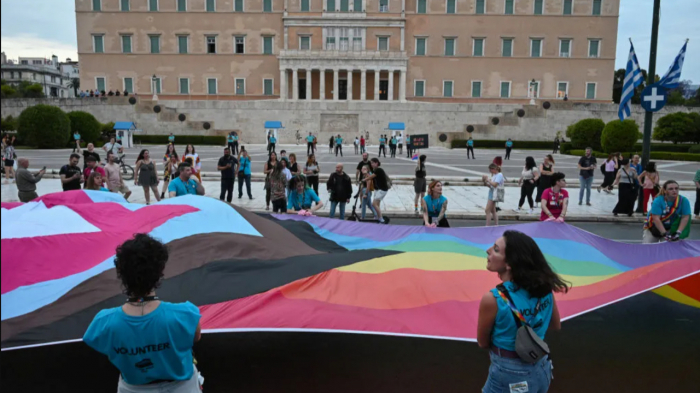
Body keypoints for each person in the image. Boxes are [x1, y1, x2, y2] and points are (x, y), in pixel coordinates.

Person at [83, 234, 203, 392]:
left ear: (121, 273)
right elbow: (195, 338)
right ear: (160, 272)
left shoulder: (103, 324)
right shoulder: (186, 315)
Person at [477, 231, 568, 393]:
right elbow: (555, 325)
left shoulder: (493, 299)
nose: (488, 250)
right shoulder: (544, 288)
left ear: (510, 263)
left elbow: (483, 343)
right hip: (541, 368)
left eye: (496, 250)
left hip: (509, 374)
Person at [365, 158, 390, 224]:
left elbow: (371, 177)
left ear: (377, 163)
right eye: (371, 163)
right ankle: (378, 216)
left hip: (382, 190)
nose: (371, 164)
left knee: (374, 204)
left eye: (373, 163)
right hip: (377, 189)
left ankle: (381, 218)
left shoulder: (379, 170)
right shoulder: (374, 170)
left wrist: (364, 179)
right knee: (377, 204)